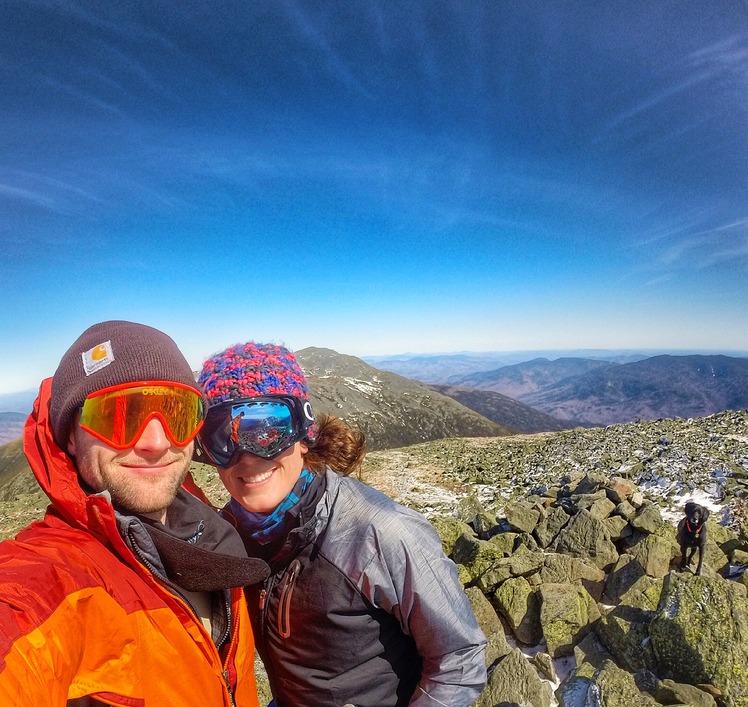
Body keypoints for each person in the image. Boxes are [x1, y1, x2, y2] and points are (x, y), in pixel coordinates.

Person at [196, 342, 487, 707]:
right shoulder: (231, 534)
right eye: (220, 437)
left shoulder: (380, 532)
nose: (246, 456)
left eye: (268, 430)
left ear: (304, 435)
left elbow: (461, 657)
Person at [0, 321, 269, 706]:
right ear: (72, 437)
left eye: (177, 413)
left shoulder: (215, 537)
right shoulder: (53, 580)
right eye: (117, 415)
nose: (156, 443)